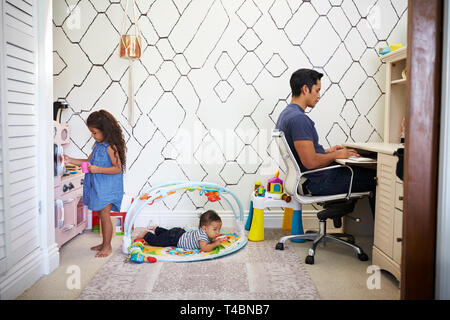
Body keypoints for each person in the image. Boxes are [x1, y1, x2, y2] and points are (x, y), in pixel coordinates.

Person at [275, 68, 376, 215]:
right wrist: (337, 155)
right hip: (319, 182)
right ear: (305, 89)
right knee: (378, 178)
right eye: (317, 90)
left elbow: (301, 154)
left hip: (308, 179)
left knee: (363, 172)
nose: (319, 96)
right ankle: (383, 238)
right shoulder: (299, 119)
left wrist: (328, 152)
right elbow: (310, 162)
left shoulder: (286, 114)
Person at [64, 110, 126, 257]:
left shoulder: (111, 147)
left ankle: (108, 246)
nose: (93, 135)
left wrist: (97, 169)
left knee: (104, 215)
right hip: (98, 186)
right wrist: (70, 159)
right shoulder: (98, 145)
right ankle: (104, 243)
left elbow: (117, 169)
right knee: (100, 213)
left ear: (105, 131)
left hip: (108, 187)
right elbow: (88, 161)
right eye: (91, 132)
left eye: (94, 132)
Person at [135, 210, 224, 252]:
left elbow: (209, 240)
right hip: (175, 239)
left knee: (166, 234)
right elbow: (204, 248)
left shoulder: (205, 233)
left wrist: (214, 240)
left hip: (179, 233)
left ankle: (157, 229)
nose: (218, 232)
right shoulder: (203, 236)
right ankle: (145, 234)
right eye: (215, 229)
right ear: (204, 228)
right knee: (158, 241)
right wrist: (215, 244)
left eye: (218, 229)